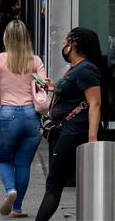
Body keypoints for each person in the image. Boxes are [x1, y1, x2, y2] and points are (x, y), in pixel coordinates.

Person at [0, 20, 46, 218]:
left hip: (8, 115)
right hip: (32, 117)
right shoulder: (35, 60)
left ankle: (10, 190)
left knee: (4, 159)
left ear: (6, 37)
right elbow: (44, 86)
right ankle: (17, 208)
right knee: (23, 164)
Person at [34, 28, 103, 221]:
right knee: (60, 181)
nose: (63, 46)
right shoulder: (77, 68)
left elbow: (95, 103)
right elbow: (75, 94)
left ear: (74, 44)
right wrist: (54, 87)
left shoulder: (87, 69)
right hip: (67, 131)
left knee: (54, 182)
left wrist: (92, 139)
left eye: (65, 42)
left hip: (74, 132)